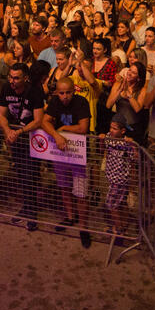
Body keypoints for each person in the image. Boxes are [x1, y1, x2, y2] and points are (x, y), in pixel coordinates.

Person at [41, 76, 93, 247]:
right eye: (61, 93)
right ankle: (70, 217)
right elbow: (44, 121)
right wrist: (56, 135)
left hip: (79, 154)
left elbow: (83, 127)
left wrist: (62, 128)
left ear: (74, 91)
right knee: (64, 187)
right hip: (61, 154)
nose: (65, 96)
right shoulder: (55, 102)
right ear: (57, 92)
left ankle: (83, 226)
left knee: (80, 191)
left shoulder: (81, 102)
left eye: (68, 93)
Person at [0, 62, 45, 231]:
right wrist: (8, 130)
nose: (12, 81)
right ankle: (26, 207)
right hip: (15, 138)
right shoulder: (6, 88)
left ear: (25, 78)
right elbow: (1, 115)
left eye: (16, 78)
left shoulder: (35, 91)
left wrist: (19, 131)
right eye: (10, 77)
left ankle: (32, 213)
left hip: (32, 138)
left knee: (31, 175)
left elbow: (38, 120)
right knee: (21, 174)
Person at [100, 111, 137, 237]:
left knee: (111, 204)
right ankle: (123, 224)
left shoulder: (126, 143)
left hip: (121, 179)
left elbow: (135, 158)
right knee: (120, 203)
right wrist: (101, 140)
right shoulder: (109, 137)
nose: (111, 130)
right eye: (111, 127)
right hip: (112, 176)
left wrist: (133, 145)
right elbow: (102, 149)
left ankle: (119, 228)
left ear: (122, 131)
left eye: (114, 128)